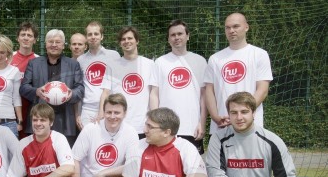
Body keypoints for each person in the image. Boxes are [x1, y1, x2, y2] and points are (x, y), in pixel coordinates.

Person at [204, 12, 272, 135]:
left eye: (236, 26)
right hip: (222, 124)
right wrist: (215, 116)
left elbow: (262, 90)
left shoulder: (259, 54)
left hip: (251, 125)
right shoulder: (215, 59)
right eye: (227, 27)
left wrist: (242, 114)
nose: (231, 30)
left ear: (246, 27)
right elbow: (209, 91)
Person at [150, 20, 207, 154]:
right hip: (166, 128)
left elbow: (204, 96)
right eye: (173, 35)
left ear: (187, 36)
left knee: (192, 171)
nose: (176, 37)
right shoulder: (160, 62)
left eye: (180, 34)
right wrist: (156, 123)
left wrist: (202, 123)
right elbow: (154, 94)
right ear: (168, 39)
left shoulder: (200, 61)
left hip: (191, 128)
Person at [20, 29, 84, 146]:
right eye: (50, 41)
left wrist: (71, 94)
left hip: (65, 121)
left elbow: (80, 88)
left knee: (64, 158)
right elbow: (23, 88)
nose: (54, 45)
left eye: (58, 42)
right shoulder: (34, 63)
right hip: (39, 120)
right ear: (45, 44)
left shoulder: (73, 64)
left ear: (63, 45)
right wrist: (37, 91)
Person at [99, 26, 155, 139]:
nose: (126, 41)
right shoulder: (112, 65)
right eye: (123, 39)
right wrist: (101, 113)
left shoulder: (150, 64)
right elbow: (105, 92)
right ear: (120, 43)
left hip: (142, 124)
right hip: (118, 124)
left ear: (137, 41)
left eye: (130, 38)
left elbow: (154, 93)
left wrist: (154, 119)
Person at [76, 21, 120, 130]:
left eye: (96, 34)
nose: (93, 37)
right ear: (86, 37)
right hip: (87, 110)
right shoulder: (80, 60)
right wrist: (78, 114)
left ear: (102, 36)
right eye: (89, 34)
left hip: (110, 108)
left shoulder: (114, 56)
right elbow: (79, 87)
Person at [11, 21, 39, 139]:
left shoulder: (39, 61)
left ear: (35, 40)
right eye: (23, 35)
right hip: (11, 110)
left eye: (29, 35)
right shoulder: (8, 59)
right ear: (18, 38)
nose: (26, 38)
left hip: (31, 110)